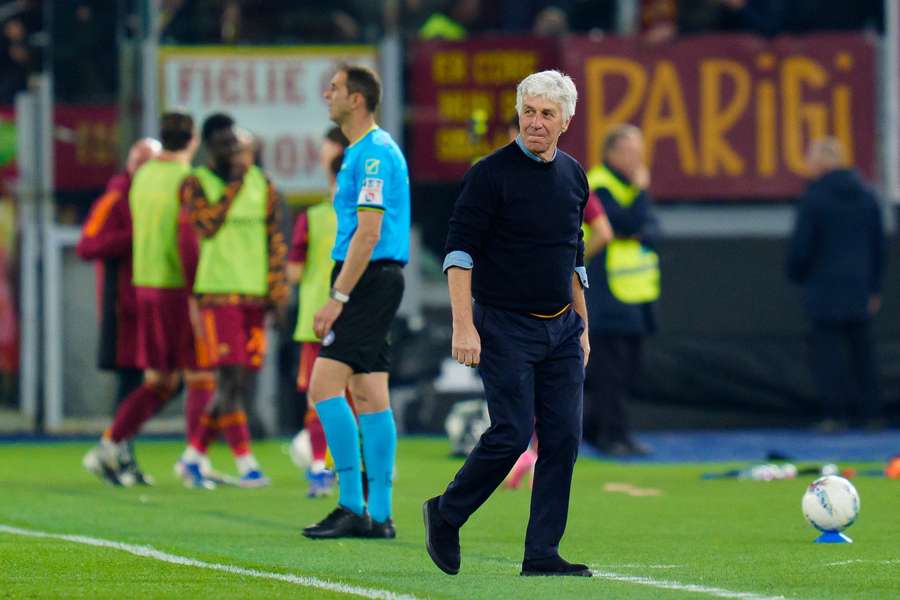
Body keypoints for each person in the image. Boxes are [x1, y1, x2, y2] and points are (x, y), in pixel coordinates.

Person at [424, 70, 591, 577]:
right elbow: (459, 252)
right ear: (517, 113)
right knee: (512, 434)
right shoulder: (490, 174)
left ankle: (541, 553)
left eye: (546, 114)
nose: (535, 122)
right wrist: (462, 326)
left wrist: (584, 326)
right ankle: (446, 513)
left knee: (563, 438)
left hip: (562, 328)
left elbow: (575, 256)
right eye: (528, 111)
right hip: (505, 326)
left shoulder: (574, 175)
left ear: (566, 120)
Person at [299, 64, 409, 540]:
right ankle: (378, 514)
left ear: (358, 98)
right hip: (373, 277)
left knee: (323, 386)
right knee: (368, 393)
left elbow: (367, 232)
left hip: (367, 279)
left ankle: (350, 504)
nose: (328, 93)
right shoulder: (361, 152)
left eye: (336, 88)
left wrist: (338, 297)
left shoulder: (372, 155)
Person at [82, 111, 215, 487]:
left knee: (160, 380)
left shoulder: (141, 180)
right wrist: (196, 293)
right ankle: (193, 462)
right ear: (192, 141)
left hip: (145, 287)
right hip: (175, 288)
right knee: (200, 373)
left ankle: (109, 445)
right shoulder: (187, 181)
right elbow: (188, 242)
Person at [176, 115, 288, 487]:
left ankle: (193, 457)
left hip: (254, 296)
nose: (234, 154)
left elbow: (275, 243)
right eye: (227, 146)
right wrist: (233, 187)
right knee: (231, 377)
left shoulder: (264, 186)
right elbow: (206, 225)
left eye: (238, 147)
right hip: (218, 294)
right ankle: (245, 462)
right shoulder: (197, 183)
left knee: (240, 380)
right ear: (211, 148)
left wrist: (277, 293)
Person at [77, 137, 161, 485]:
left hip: (149, 304)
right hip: (122, 308)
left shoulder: (152, 200)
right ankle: (117, 453)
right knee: (132, 380)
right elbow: (87, 245)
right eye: (139, 161)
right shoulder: (115, 199)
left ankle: (118, 451)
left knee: (148, 381)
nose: (143, 169)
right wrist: (134, 236)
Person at [787, 137, 885, 431]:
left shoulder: (815, 198)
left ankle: (834, 415)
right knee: (862, 353)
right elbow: (879, 247)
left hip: (824, 288)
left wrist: (798, 274)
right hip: (859, 288)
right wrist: (874, 287)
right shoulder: (867, 196)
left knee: (829, 356)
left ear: (822, 162)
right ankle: (872, 414)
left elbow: (802, 247)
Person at [582, 124, 660, 457]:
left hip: (635, 294)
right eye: (630, 151)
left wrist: (639, 216)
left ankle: (604, 430)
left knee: (629, 368)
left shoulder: (629, 188)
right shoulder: (599, 182)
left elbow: (653, 228)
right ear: (611, 152)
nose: (638, 159)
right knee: (608, 371)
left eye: (640, 151)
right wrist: (641, 194)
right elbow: (626, 223)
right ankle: (610, 435)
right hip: (606, 293)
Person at [289, 126, 350, 497]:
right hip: (357, 318)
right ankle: (353, 470)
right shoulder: (366, 219)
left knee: (318, 397)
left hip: (315, 318)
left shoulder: (311, 219)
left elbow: (295, 272)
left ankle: (317, 468)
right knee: (356, 395)